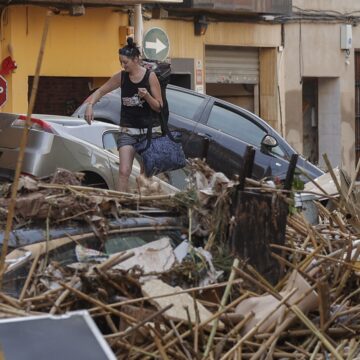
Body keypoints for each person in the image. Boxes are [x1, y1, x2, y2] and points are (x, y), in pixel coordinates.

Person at [84, 37, 163, 192]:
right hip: (128, 131)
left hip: (149, 132)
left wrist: (147, 96)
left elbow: (159, 107)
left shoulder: (150, 77)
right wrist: (90, 105)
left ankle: (143, 207)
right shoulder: (121, 77)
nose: (123, 65)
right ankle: (121, 205)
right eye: (121, 62)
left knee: (145, 175)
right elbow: (100, 90)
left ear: (135, 59)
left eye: (125, 62)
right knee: (123, 171)